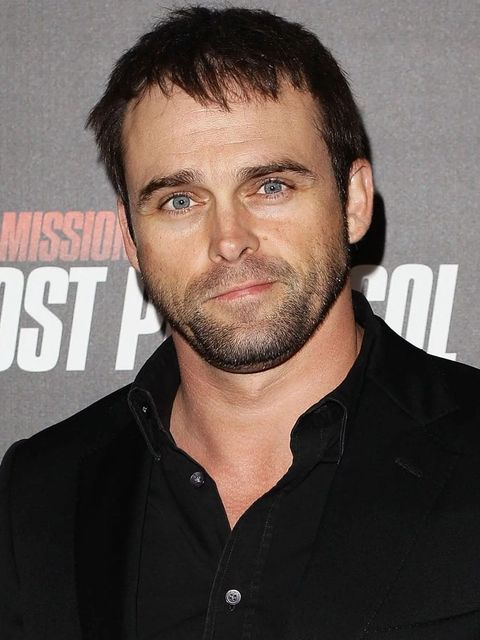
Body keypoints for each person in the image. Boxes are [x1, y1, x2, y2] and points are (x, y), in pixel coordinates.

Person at [1, 6, 480, 640]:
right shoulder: (37, 493)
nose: (229, 239)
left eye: (271, 186)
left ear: (354, 201)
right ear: (131, 236)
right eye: (179, 200)